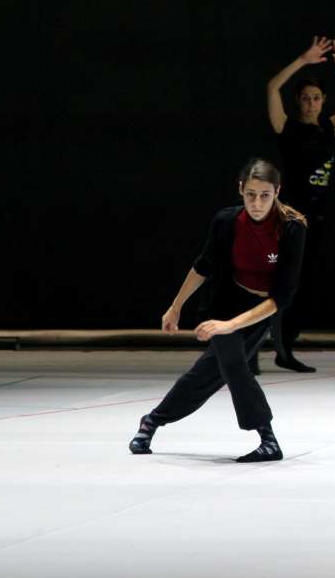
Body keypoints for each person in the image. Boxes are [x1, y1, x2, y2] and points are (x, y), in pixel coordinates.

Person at [129, 159, 307, 462]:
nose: (257, 203)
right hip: (225, 304)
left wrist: (233, 325)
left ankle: (152, 421)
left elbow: (282, 297)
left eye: (265, 195)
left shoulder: (292, 228)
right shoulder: (226, 221)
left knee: (208, 373)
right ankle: (268, 439)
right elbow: (203, 266)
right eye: (251, 194)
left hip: (261, 310)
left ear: (277, 192)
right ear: (241, 189)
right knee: (235, 366)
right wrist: (175, 307)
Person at [265, 36, 335, 373]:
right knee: (277, 279)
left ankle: (285, 346)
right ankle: (258, 346)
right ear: (298, 101)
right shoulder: (286, 127)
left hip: (315, 215)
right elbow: (272, 87)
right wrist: (302, 60)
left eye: (316, 98)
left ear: (323, 101)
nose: (311, 103)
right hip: (288, 214)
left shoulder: (330, 127)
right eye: (306, 98)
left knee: (300, 283)